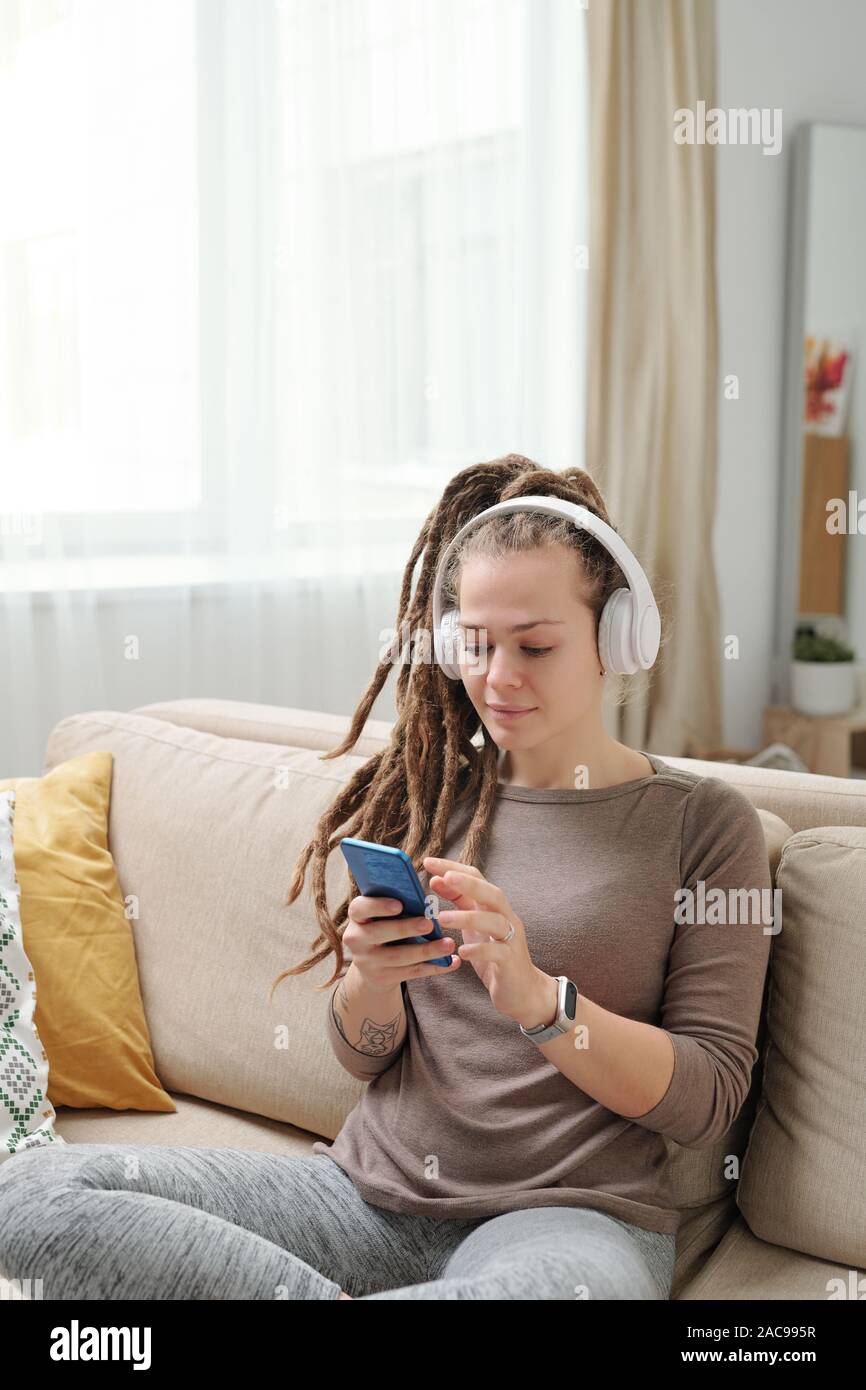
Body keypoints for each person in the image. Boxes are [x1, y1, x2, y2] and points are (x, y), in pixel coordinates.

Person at [0, 454, 773, 1300]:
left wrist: (536, 1000)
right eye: (474, 645)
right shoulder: (429, 796)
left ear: (617, 638)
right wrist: (370, 981)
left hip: (568, 1224)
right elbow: (365, 1057)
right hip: (361, 1197)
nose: (499, 677)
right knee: (32, 1194)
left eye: (536, 645)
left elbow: (707, 1097)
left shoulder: (702, 826)